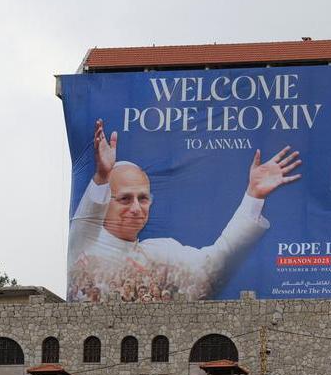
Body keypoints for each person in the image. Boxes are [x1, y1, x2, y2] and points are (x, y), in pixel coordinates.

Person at [67, 119, 303, 302]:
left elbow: (215, 263)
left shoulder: (161, 252)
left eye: (143, 198)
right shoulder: (85, 245)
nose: (136, 208)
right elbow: (85, 220)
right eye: (125, 199)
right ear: (106, 201)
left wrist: (254, 195)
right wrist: (101, 177)